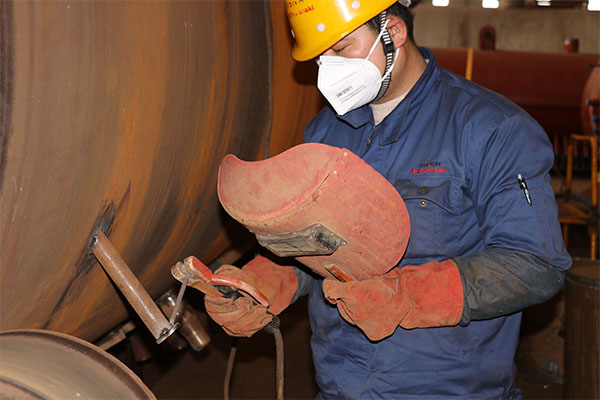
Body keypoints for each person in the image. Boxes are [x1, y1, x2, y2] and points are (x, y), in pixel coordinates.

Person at [203, 1, 572, 398]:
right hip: (339, 387)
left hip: (446, 390)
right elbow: (317, 250)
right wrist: (268, 280)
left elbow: (537, 265)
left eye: (341, 48)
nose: (328, 69)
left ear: (393, 33)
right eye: (320, 57)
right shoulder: (326, 132)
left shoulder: (491, 129)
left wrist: (409, 297)